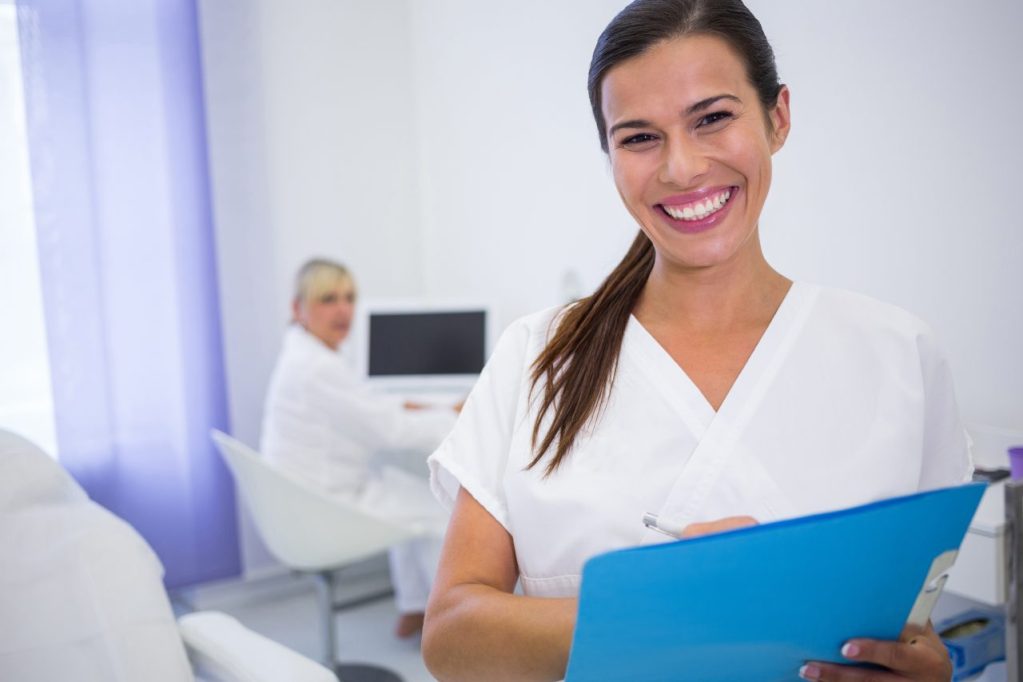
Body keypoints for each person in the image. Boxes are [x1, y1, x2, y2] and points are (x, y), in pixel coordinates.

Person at [421, 1, 972, 680]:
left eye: (712, 118)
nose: (681, 168)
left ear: (777, 118)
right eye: (638, 137)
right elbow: (450, 639)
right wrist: (676, 602)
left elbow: (909, 630)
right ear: (609, 157)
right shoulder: (537, 358)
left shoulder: (899, 357)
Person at [261, 258, 459, 638]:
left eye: (349, 298)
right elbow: (393, 431)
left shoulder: (306, 355)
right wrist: (457, 418)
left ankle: (414, 608)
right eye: (328, 299)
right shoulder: (318, 368)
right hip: (321, 508)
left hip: (301, 498)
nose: (343, 310)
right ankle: (450, 629)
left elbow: (368, 406)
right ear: (297, 308)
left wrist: (428, 406)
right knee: (441, 510)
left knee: (403, 489)